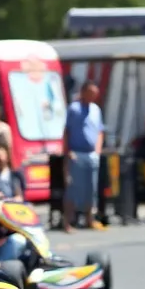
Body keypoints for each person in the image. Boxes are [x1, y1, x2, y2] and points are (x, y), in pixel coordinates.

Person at [62, 81, 106, 233]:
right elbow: (67, 130)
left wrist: (98, 150)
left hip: (91, 154)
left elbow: (100, 130)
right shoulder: (74, 109)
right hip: (76, 153)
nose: (93, 96)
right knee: (74, 188)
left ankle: (89, 219)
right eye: (91, 92)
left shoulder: (96, 110)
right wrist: (67, 151)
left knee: (91, 188)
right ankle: (68, 221)